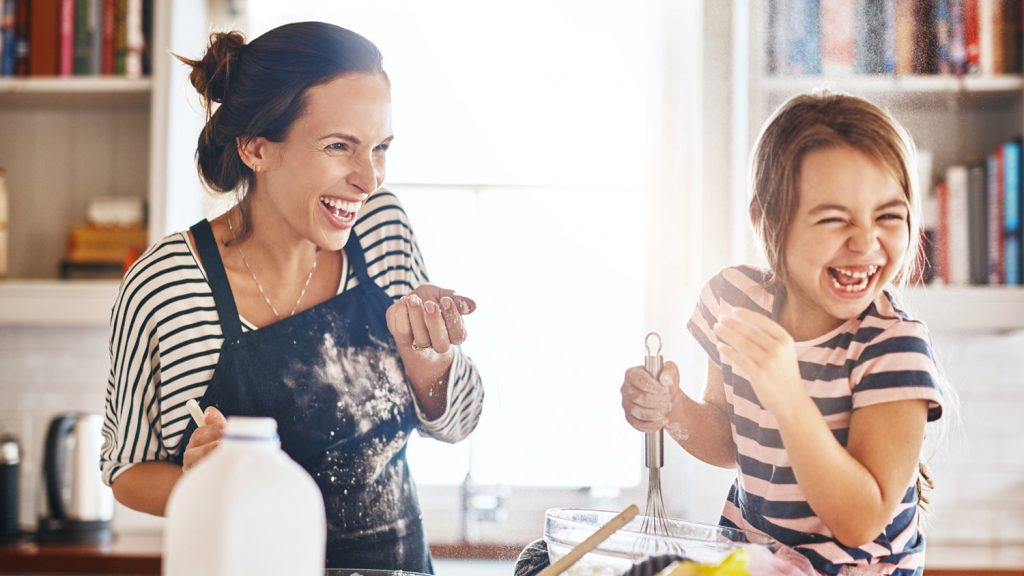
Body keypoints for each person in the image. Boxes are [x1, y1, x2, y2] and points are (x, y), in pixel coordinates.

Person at [100, 22, 484, 573]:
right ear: (256, 148)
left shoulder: (382, 232)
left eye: (381, 148)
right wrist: (201, 483)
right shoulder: (167, 282)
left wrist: (430, 357)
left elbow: (459, 423)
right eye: (339, 147)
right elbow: (126, 470)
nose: (368, 178)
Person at [620, 92, 949, 575]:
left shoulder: (892, 347)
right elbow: (731, 440)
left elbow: (858, 520)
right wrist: (673, 409)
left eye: (888, 216)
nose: (864, 241)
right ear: (766, 220)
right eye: (834, 218)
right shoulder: (732, 301)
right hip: (756, 560)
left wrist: (786, 394)